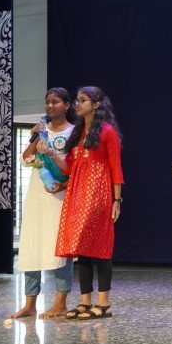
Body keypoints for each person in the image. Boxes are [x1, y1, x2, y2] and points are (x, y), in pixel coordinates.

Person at [49, 86, 123, 320]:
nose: (77, 104)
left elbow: (116, 168)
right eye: (77, 100)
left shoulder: (107, 131)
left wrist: (117, 200)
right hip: (78, 193)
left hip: (99, 193)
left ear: (96, 104)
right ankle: (85, 301)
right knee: (82, 248)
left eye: (82, 100)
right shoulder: (79, 132)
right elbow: (69, 167)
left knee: (100, 247)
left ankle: (104, 303)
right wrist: (50, 154)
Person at [9, 88, 76, 319]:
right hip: (37, 193)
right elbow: (26, 159)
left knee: (60, 248)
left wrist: (63, 185)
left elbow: (76, 167)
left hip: (60, 195)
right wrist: (37, 136)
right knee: (32, 243)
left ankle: (60, 302)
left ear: (67, 105)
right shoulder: (42, 131)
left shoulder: (74, 132)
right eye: (47, 102)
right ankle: (30, 303)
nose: (50, 106)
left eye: (55, 102)